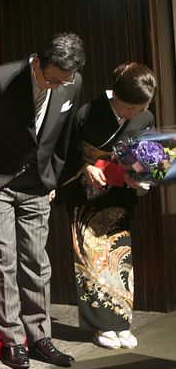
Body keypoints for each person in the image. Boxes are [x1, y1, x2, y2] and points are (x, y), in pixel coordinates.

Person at [0, 33, 85, 369]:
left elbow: (64, 137)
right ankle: (12, 340)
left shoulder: (72, 83)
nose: (57, 86)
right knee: (4, 261)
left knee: (36, 261)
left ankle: (40, 336)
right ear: (36, 62)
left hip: (37, 183)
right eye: (52, 79)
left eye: (64, 81)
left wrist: (52, 179)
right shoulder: (0, 79)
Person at [62, 62, 157, 349]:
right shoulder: (86, 113)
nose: (135, 114)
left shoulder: (145, 118)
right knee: (92, 257)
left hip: (120, 192)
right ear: (114, 95)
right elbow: (66, 150)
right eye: (130, 108)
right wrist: (85, 166)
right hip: (88, 194)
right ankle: (100, 326)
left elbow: (145, 156)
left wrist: (141, 176)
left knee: (120, 254)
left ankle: (121, 322)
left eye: (141, 108)